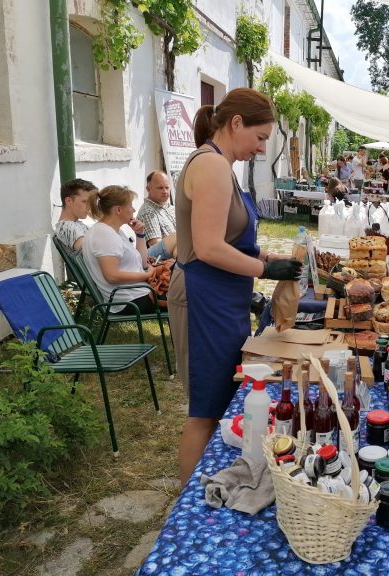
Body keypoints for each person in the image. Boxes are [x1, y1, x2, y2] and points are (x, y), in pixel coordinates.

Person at [168, 88, 301, 486]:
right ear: (236, 123)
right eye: (260, 138)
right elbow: (208, 247)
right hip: (202, 297)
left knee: (220, 401)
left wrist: (266, 258)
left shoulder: (223, 166)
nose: (261, 149)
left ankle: (205, 493)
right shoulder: (209, 166)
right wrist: (265, 269)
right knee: (204, 411)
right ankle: (188, 512)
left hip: (223, 298)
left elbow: (229, 241)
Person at [81, 185, 157, 314]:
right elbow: (112, 276)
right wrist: (147, 275)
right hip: (129, 301)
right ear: (119, 210)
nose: (133, 210)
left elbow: (143, 264)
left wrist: (140, 234)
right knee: (184, 291)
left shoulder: (112, 231)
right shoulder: (104, 235)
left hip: (136, 294)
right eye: (130, 206)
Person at [137, 170, 177, 261]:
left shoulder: (170, 207)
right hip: (164, 262)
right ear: (148, 189)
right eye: (160, 188)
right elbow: (157, 249)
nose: (165, 191)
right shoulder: (148, 212)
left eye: (167, 187)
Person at [54, 178, 98, 253]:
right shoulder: (68, 227)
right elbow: (93, 255)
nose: (89, 206)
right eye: (84, 202)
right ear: (68, 201)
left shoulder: (74, 225)